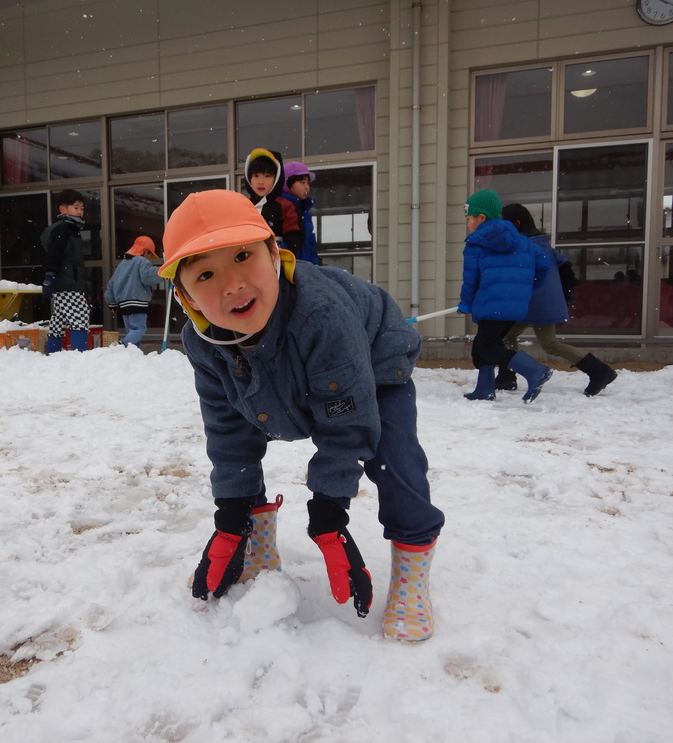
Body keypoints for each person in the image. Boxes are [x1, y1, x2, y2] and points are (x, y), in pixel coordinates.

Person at [160, 189, 444, 642]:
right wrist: (231, 517)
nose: (231, 284)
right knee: (240, 436)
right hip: (275, 380)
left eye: (242, 256)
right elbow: (227, 429)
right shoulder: (202, 343)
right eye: (206, 274)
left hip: (371, 365)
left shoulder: (322, 315)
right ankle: (259, 548)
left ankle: (412, 570)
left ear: (274, 251)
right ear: (184, 294)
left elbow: (345, 421)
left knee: (395, 456)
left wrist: (329, 515)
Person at [496, 203, 618, 397]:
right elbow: (566, 268)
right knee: (507, 337)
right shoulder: (540, 243)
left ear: (517, 224)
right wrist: (565, 293)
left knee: (550, 344)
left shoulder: (525, 246)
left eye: (506, 224)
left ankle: (600, 371)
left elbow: (518, 275)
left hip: (537, 304)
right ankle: (506, 376)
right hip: (538, 302)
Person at [457, 189, 554, 403]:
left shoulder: (476, 243)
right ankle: (484, 389)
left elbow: (471, 279)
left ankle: (535, 371)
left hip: (491, 304)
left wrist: (465, 303)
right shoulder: (523, 241)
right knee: (482, 347)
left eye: (469, 218)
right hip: (514, 307)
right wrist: (524, 289)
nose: (468, 223)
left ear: (481, 218)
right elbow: (544, 264)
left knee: (487, 347)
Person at [40, 189, 92, 353]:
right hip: (68, 282)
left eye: (82, 209)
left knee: (59, 319)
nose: (80, 212)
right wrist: (50, 275)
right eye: (76, 208)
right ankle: (80, 353)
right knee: (80, 316)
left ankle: (52, 353)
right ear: (63, 209)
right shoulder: (64, 229)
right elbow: (54, 255)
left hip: (66, 281)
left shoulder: (70, 229)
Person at [104, 235, 164, 348]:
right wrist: (164, 272)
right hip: (137, 301)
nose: (150, 258)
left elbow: (111, 284)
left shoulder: (122, 264)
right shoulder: (141, 261)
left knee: (131, 331)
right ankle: (122, 344)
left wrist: (112, 303)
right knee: (139, 328)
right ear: (145, 251)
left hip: (123, 305)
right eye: (150, 254)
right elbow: (147, 276)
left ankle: (133, 352)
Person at [243, 148, 305, 256]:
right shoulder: (243, 206)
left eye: (267, 176)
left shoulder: (285, 206)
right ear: (249, 178)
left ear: (277, 178)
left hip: (277, 263)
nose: (261, 181)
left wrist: (281, 247)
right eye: (256, 176)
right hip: (247, 263)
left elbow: (296, 235)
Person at [281, 160, 320, 264]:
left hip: (305, 272)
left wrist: (314, 269)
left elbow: (311, 245)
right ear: (287, 183)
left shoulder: (305, 212)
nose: (307, 187)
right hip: (287, 271)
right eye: (302, 182)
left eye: (308, 183)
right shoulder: (279, 208)